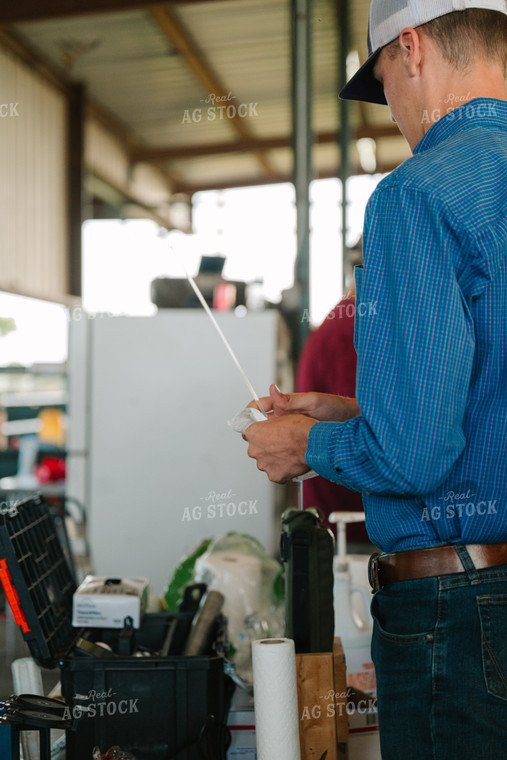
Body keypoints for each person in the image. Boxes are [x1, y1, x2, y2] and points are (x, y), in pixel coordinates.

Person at [243, 1, 507, 757]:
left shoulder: (417, 193)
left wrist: (306, 443)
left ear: (412, 49)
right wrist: (352, 411)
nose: (390, 105)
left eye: (383, 75)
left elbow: (416, 458)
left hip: (458, 609)